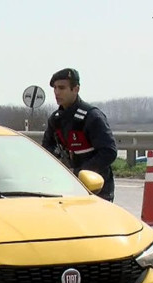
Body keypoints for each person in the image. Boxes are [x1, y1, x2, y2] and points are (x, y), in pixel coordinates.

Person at [42, 68, 117, 202]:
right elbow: (46, 149)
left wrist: (78, 173)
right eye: (55, 88)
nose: (57, 92)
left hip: (97, 190)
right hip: (66, 190)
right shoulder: (55, 119)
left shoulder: (92, 117)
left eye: (62, 88)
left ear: (75, 89)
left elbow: (109, 152)